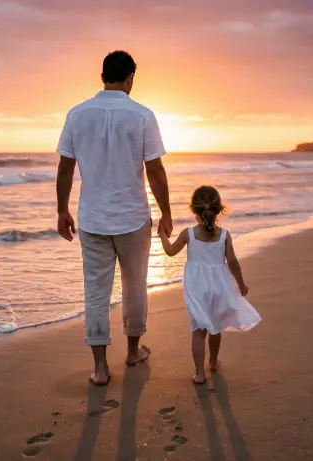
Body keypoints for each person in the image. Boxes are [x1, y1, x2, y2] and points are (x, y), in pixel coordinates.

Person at [55, 50, 172, 386]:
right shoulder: (142, 115)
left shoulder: (77, 114)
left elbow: (66, 167)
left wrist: (62, 210)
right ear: (130, 78)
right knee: (135, 287)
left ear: (102, 76)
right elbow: (155, 169)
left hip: (92, 218)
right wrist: (166, 212)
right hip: (133, 218)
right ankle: (133, 352)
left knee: (95, 292)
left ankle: (100, 368)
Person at [158, 185, 261, 384]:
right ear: (218, 209)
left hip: (197, 288)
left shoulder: (188, 233)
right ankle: (213, 362)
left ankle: (199, 373)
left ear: (193, 209)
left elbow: (170, 252)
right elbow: (232, 262)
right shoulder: (224, 235)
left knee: (198, 330)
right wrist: (241, 284)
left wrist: (162, 235)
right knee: (216, 326)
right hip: (220, 286)